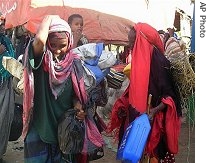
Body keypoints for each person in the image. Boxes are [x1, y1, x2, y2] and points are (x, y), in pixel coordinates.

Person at [108, 23, 182, 163]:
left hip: (153, 123)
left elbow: (170, 95)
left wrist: (154, 111)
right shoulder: (140, 58)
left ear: (142, 42)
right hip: (137, 119)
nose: (130, 47)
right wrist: (124, 107)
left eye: (133, 43)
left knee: (151, 158)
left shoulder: (159, 62)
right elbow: (134, 89)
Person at [22, 15, 89, 163]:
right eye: (53, 45)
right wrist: (49, 18)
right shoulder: (41, 60)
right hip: (41, 128)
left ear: (70, 42)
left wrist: (78, 105)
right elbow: (39, 41)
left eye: (63, 45)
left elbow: (76, 92)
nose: (58, 50)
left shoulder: (74, 63)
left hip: (65, 132)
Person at [0, 13, 16, 162]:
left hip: (4, 83)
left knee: (4, 119)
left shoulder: (5, 40)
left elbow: (12, 59)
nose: (3, 27)